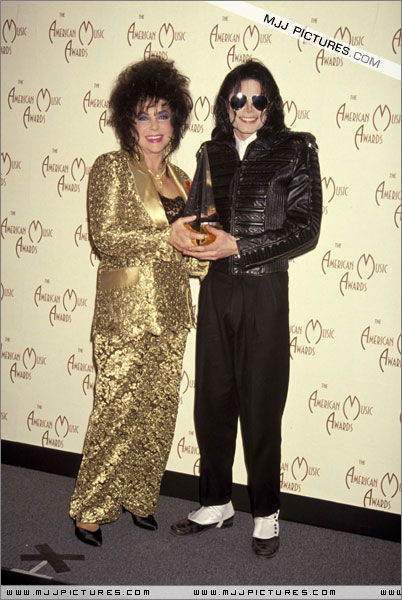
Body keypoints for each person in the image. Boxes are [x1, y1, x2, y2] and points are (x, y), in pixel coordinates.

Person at [169, 59, 322, 558]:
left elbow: (306, 229)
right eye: (239, 99)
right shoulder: (211, 151)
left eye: (258, 99)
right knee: (212, 400)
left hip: (264, 290)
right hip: (217, 289)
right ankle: (216, 502)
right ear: (226, 105)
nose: (248, 108)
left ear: (270, 104)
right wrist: (183, 228)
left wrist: (239, 246)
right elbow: (198, 214)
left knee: (261, 403)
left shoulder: (296, 149)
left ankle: (266, 512)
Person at [69, 57, 207, 547]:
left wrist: (205, 250)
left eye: (163, 114)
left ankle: (139, 496)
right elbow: (106, 238)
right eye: (144, 114)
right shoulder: (110, 168)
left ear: (176, 122)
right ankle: (91, 508)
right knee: (115, 411)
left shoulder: (185, 179)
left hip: (172, 314)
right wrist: (167, 237)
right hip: (124, 313)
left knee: (158, 412)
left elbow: (191, 257)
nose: (154, 125)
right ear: (128, 120)